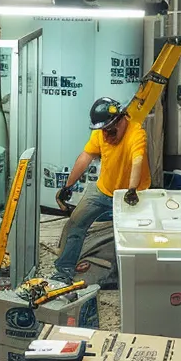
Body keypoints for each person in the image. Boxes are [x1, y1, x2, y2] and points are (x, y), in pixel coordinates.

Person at [54, 97, 150, 282]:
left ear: (120, 120)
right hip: (102, 190)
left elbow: (137, 161)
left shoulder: (136, 133)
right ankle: (64, 269)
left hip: (130, 196)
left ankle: (125, 276)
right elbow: (85, 157)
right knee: (75, 224)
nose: (106, 135)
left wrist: (131, 189)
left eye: (109, 129)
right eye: (103, 130)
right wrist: (67, 186)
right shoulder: (101, 133)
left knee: (130, 237)